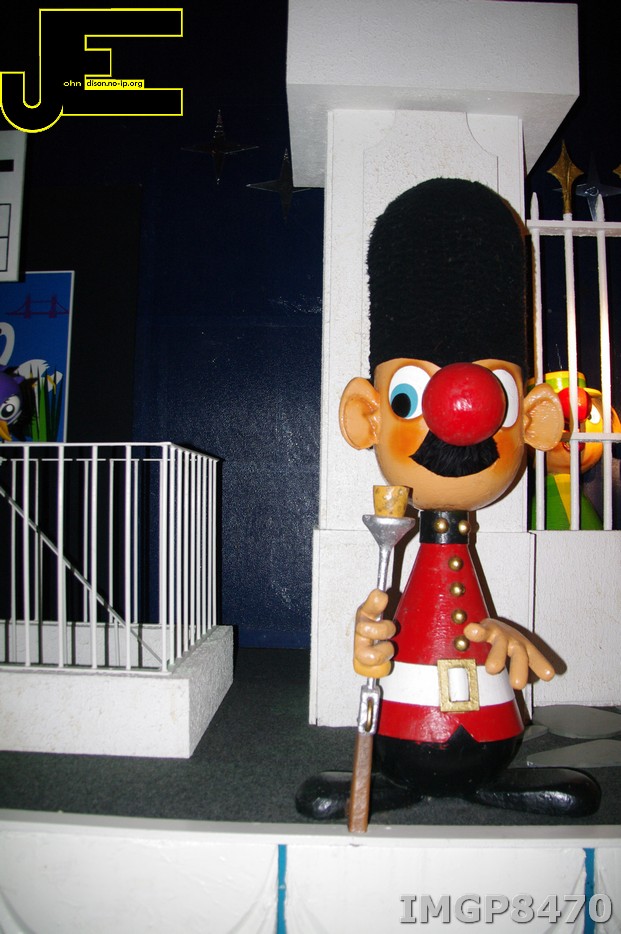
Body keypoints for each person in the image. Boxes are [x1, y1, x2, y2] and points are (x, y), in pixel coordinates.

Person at [297, 178, 601, 818]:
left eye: (498, 395)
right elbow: (394, 637)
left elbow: (470, 630)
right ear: (367, 415)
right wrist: (368, 645)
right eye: (408, 397)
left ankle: (485, 773)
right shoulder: (400, 540)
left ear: (535, 419)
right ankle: (403, 775)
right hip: (400, 738)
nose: (461, 414)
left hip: (488, 739)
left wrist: (503, 635)